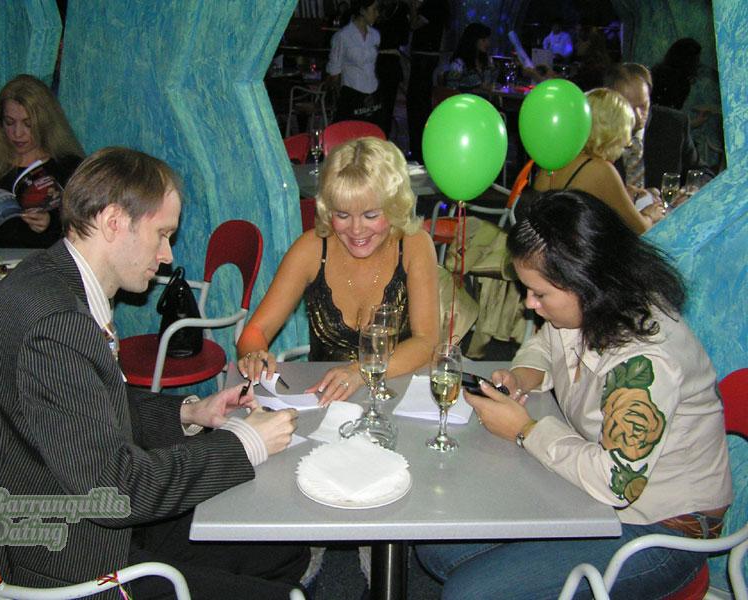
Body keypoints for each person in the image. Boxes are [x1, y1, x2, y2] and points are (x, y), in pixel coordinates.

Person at [0, 147, 309, 599]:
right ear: (114, 222)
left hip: (72, 512)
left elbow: (87, 408)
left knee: (284, 551)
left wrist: (190, 413)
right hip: (69, 561)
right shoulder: (56, 325)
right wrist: (245, 442)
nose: (167, 255)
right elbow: (120, 489)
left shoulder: (53, 277)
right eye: (162, 234)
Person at [417, 189, 732, 600]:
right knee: (438, 549)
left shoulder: (648, 362)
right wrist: (522, 376)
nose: (529, 304)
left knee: (469, 593)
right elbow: (547, 344)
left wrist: (525, 430)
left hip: (663, 528)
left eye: (540, 294)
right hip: (594, 497)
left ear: (585, 283)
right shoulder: (595, 306)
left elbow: (616, 482)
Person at [237, 137, 439, 404]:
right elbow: (255, 331)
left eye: (370, 215)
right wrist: (254, 355)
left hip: (397, 396)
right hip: (324, 400)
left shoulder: (414, 245)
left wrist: (360, 371)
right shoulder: (311, 249)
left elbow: (427, 342)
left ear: (394, 207)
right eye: (342, 215)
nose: (356, 229)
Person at [0, 73, 84, 248]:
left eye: (28, 124)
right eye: (9, 122)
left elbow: (84, 235)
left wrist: (50, 224)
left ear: (44, 124)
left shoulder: (68, 166)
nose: (17, 133)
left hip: (46, 260)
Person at [532, 87, 664, 234]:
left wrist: (622, 195)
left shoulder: (557, 159)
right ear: (614, 132)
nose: (627, 142)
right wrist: (650, 215)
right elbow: (640, 228)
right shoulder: (601, 169)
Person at [605, 62, 704, 191]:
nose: (638, 116)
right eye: (630, 108)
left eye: (643, 106)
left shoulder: (674, 125)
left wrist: (691, 189)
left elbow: (703, 173)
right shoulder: (599, 133)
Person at [406, 0, 450, 163]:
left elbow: (414, 24)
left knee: (416, 104)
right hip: (430, 55)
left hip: (423, 56)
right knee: (422, 103)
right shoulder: (441, 7)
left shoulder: (431, 6)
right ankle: (421, 148)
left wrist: (412, 7)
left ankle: (417, 150)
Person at [326, 0, 382, 125]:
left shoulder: (375, 35)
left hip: (373, 93)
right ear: (362, 10)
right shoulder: (343, 36)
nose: (377, 14)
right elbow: (334, 71)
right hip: (352, 93)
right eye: (374, 9)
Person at [374, 0, 410, 137]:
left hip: (380, 61)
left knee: (380, 105)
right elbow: (404, 39)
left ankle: (380, 134)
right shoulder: (400, 10)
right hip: (389, 62)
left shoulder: (381, 10)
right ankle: (383, 135)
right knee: (386, 106)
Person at [651, 37, 702, 110]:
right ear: (688, 60)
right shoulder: (681, 83)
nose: (698, 64)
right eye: (696, 60)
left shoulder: (656, 73)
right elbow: (668, 112)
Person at [443, 23, 496, 92]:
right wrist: (472, 89)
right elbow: (451, 90)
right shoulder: (459, 64)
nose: (488, 43)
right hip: (466, 98)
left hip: (487, 98)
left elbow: (494, 84)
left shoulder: (488, 61)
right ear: (473, 40)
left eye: (488, 39)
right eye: (483, 40)